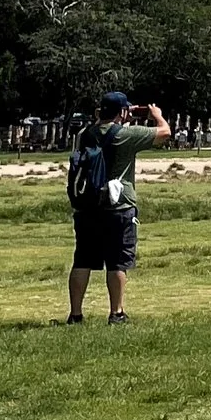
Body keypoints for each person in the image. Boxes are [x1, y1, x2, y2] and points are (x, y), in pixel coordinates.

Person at [63, 90, 169, 324]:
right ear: (122, 112)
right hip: (119, 206)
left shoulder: (84, 134)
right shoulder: (125, 135)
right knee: (118, 262)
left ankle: (76, 314)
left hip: (87, 205)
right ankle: (116, 312)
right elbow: (165, 133)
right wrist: (156, 115)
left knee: (82, 260)